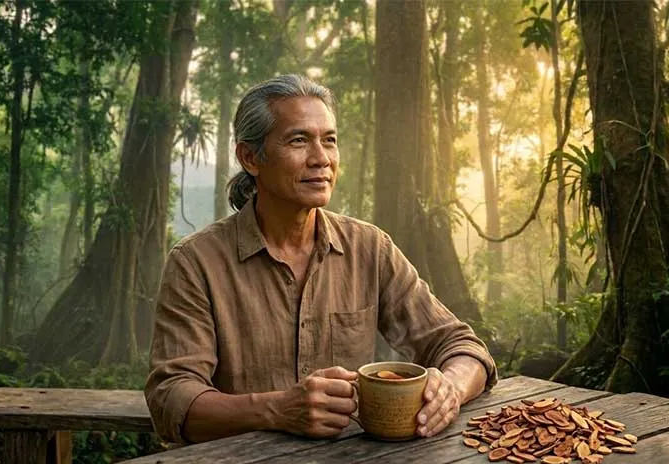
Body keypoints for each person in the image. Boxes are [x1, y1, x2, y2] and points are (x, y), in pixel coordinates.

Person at [145, 74, 497, 445]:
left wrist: (451, 390)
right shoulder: (196, 262)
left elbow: (461, 346)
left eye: (329, 141)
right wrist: (277, 409)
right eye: (299, 140)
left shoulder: (368, 248)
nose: (321, 159)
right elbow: (172, 398)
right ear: (250, 158)